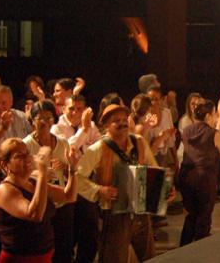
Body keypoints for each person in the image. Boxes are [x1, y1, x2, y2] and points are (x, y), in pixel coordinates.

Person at [76, 103, 157, 263]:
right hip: (114, 215)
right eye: (116, 120)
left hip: (141, 213)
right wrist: (99, 190)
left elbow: (153, 168)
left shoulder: (139, 142)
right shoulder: (98, 148)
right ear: (106, 126)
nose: (122, 123)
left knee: (150, 258)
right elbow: (77, 178)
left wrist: (162, 190)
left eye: (124, 119)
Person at [0, 137, 78, 263]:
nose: (27, 158)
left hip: (43, 256)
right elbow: (35, 214)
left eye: (27, 153)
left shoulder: (32, 182)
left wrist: (72, 169)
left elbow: (69, 196)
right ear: (4, 164)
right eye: (19, 156)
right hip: (20, 259)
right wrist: (42, 173)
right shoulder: (4, 190)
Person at [50, 93, 100, 263]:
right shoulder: (57, 128)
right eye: (71, 108)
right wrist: (84, 131)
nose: (75, 112)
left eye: (79, 109)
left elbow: (97, 151)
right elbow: (67, 150)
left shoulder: (91, 125)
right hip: (67, 183)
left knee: (90, 231)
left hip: (86, 181)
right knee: (68, 232)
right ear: (63, 109)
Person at [24, 100, 74, 263]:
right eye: (40, 118)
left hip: (62, 201)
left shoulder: (63, 142)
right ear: (32, 120)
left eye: (49, 118)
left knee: (64, 246)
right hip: (41, 202)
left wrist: (65, 167)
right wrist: (40, 173)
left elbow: (73, 171)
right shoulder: (26, 145)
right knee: (44, 247)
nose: (45, 122)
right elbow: (21, 175)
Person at [177, 101, 220, 245]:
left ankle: (184, 246)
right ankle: (200, 249)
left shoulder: (186, 131)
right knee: (204, 217)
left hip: (186, 176)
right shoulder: (213, 133)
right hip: (204, 178)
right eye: (215, 113)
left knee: (191, 215)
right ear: (208, 116)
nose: (216, 116)